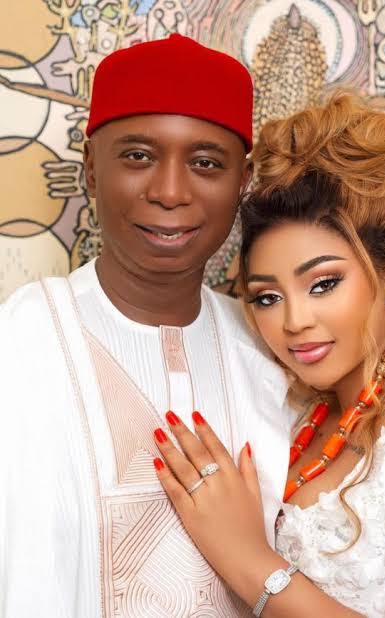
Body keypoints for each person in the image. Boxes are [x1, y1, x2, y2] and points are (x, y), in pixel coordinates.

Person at [151, 90, 385, 617]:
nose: (293, 322)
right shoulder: (302, 406)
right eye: (267, 297)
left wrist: (247, 559)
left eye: (323, 284)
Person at [0, 35, 294, 617]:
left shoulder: (267, 350)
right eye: (137, 156)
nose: (169, 192)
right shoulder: (23, 340)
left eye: (206, 163)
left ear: (243, 180)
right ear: (90, 167)